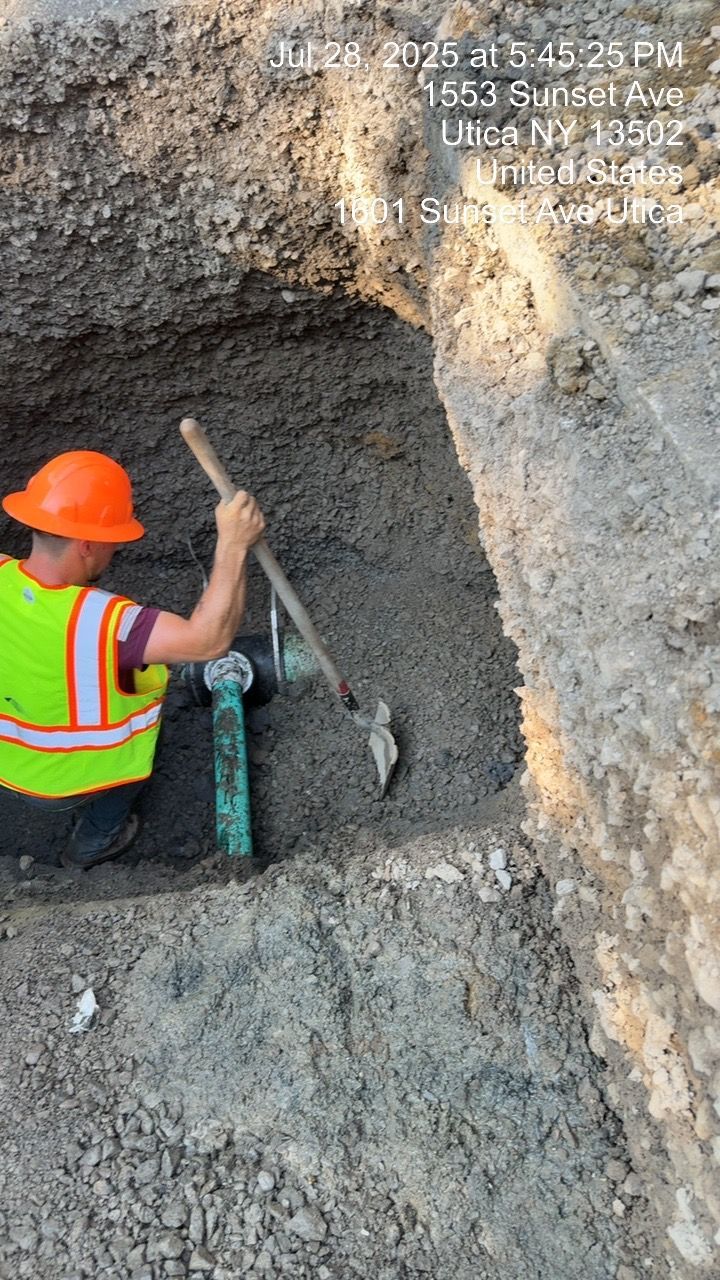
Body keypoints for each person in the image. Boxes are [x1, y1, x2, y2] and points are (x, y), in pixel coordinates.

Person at [0, 450, 264, 869]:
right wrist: (233, 545)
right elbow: (207, 641)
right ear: (86, 545)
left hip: (9, 763)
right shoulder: (104, 623)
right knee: (125, 771)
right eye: (112, 543)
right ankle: (92, 845)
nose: (115, 552)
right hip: (79, 777)